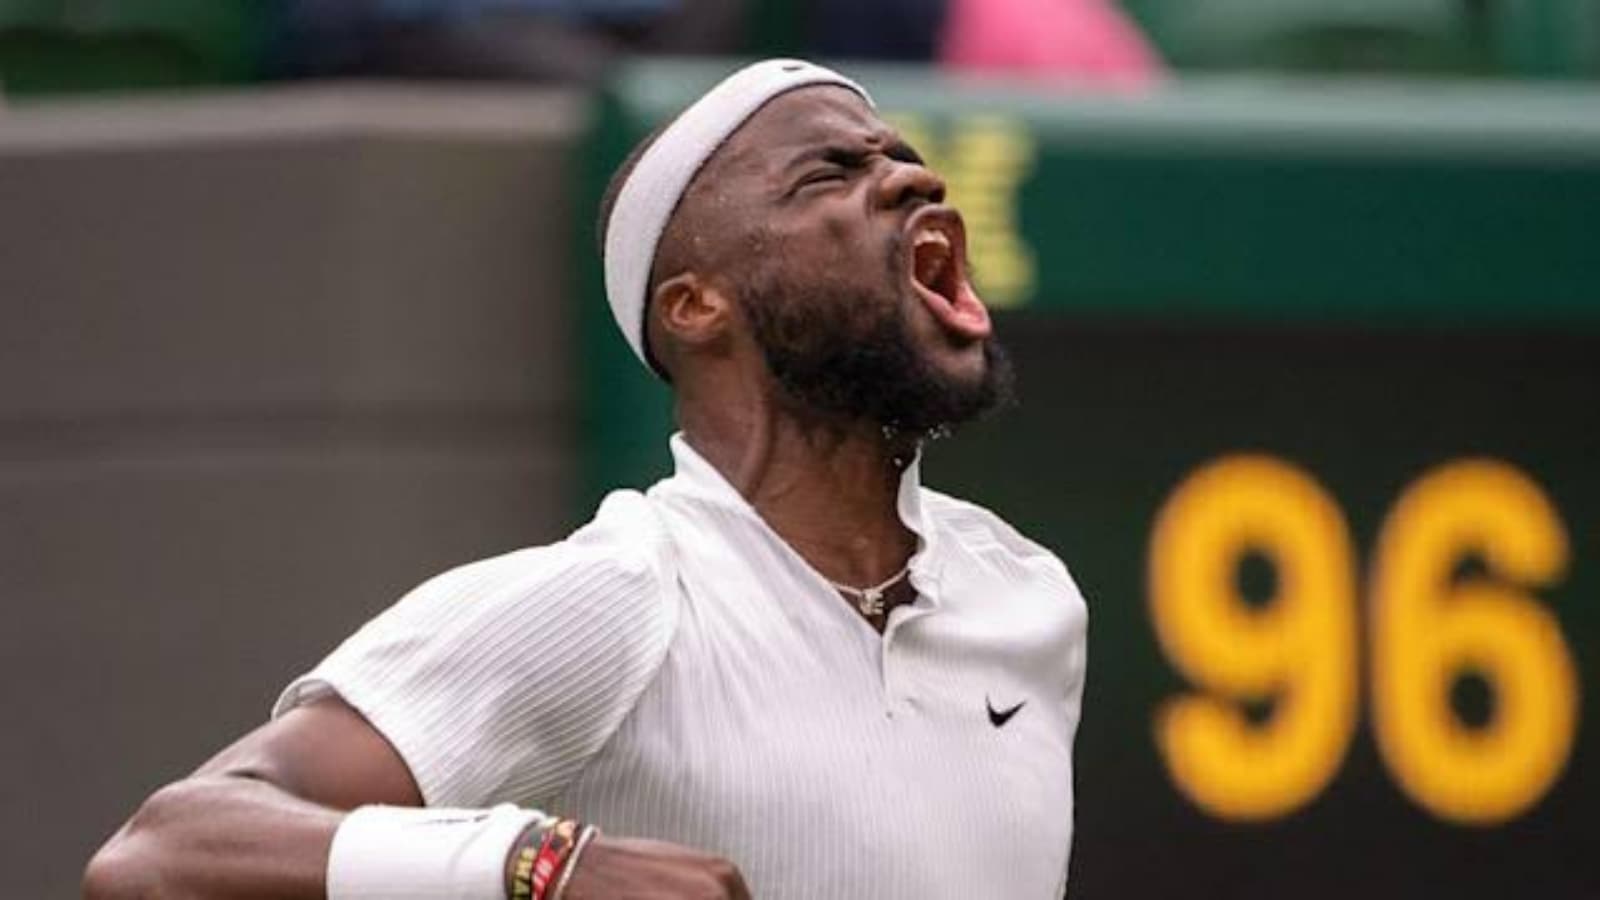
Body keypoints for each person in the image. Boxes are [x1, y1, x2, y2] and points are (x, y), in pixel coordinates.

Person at [84, 59, 1089, 900]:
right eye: (828, 174)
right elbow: (162, 853)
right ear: (696, 307)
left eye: (905, 160)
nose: (913, 182)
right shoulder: (613, 600)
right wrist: (544, 865)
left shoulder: (1030, 600)